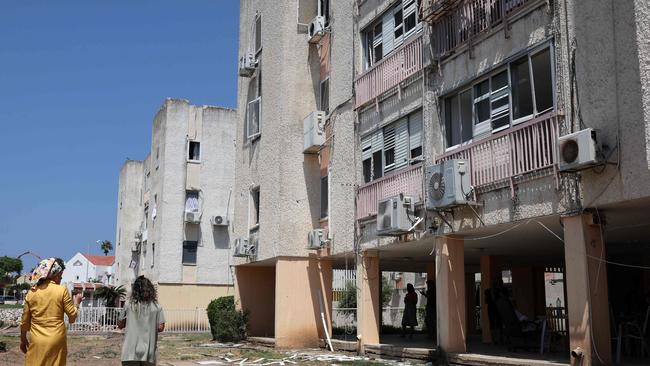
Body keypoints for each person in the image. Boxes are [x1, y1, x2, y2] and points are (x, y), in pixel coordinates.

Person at [20, 257, 83, 366]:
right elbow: (72, 317)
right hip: (57, 338)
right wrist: (77, 303)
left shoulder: (32, 292)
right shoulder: (61, 290)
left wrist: (23, 339)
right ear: (54, 274)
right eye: (60, 275)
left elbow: (25, 321)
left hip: (37, 339)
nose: (61, 277)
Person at [118, 275, 165, 366]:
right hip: (149, 352)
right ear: (150, 290)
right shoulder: (156, 307)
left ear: (135, 290)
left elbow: (120, 324)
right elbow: (161, 327)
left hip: (130, 351)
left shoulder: (128, 304)